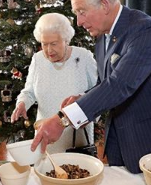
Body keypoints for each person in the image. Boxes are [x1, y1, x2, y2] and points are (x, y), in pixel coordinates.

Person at [31, 0, 151, 174]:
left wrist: (63, 119)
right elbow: (105, 83)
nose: (78, 22)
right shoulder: (102, 36)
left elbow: (119, 85)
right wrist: (84, 97)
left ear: (104, 4)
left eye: (81, 12)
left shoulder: (146, 31)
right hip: (120, 140)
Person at [11, 13, 97, 154]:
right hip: (45, 136)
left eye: (54, 44)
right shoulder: (38, 59)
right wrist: (22, 104)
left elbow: (97, 93)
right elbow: (29, 92)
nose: (49, 50)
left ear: (66, 40)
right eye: (44, 44)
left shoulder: (83, 57)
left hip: (76, 138)